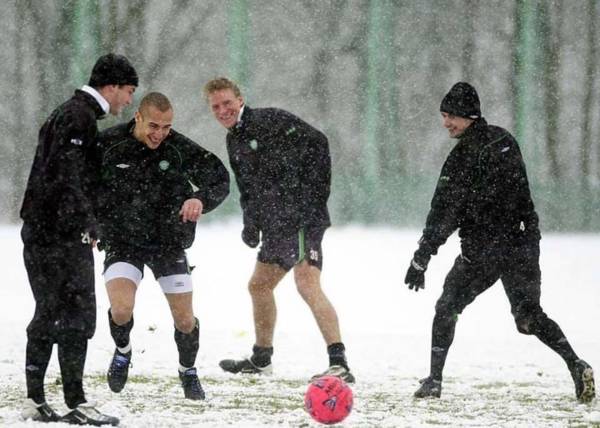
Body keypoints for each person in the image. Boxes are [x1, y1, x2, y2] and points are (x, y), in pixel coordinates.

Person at [404, 82, 596, 403]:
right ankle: (576, 364)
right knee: (528, 316)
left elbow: (444, 213)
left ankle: (434, 381)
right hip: (521, 244)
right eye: (443, 115)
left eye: (450, 116)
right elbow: (523, 198)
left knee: (447, 307)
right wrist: (530, 237)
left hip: (482, 252)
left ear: (469, 116)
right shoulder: (505, 140)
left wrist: (422, 257)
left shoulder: (462, 157)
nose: (445, 123)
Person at [203, 77, 354, 383]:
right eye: (216, 106)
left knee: (307, 283)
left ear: (240, 99)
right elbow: (248, 186)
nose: (223, 110)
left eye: (227, 103)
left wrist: (313, 199)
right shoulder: (234, 138)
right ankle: (261, 360)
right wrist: (251, 222)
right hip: (275, 224)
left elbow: (319, 142)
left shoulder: (270, 120)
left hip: (300, 219)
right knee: (259, 286)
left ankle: (339, 363)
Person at [20, 53, 137, 425]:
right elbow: (68, 176)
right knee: (74, 316)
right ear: (112, 86)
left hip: (46, 231)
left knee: (53, 313)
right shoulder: (79, 117)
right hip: (58, 234)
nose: (128, 100)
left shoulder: (69, 112)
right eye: (129, 91)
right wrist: (88, 221)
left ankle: (37, 400)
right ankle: (73, 402)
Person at [95, 92, 230, 401]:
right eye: (153, 125)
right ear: (138, 118)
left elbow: (219, 179)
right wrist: (92, 224)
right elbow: (84, 184)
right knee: (121, 309)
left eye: (166, 127)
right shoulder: (109, 144)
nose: (159, 134)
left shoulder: (179, 148)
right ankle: (123, 351)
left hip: (168, 242)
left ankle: (188, 370)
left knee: (184, 319)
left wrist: (200, 199)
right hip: (122, 241)